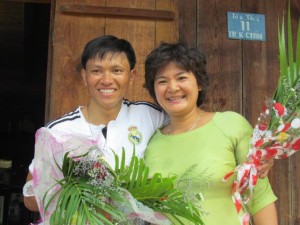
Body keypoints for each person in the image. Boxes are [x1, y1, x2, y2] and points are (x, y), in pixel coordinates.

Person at [23, 35, 167, 214]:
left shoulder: (151, 116)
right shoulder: (59, 131)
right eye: (96, 71)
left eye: (116, 70)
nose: (106, 80)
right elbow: (30, 200)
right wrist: (75, 189)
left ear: (131, 76)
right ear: (84, 76)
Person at [143, 42, 278, 225]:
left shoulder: (230, 125)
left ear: (199, 83)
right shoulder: (150, 143)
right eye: (162, 81)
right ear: (154, 90)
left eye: (181, 78)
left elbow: (260, 197)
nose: (172, 88)